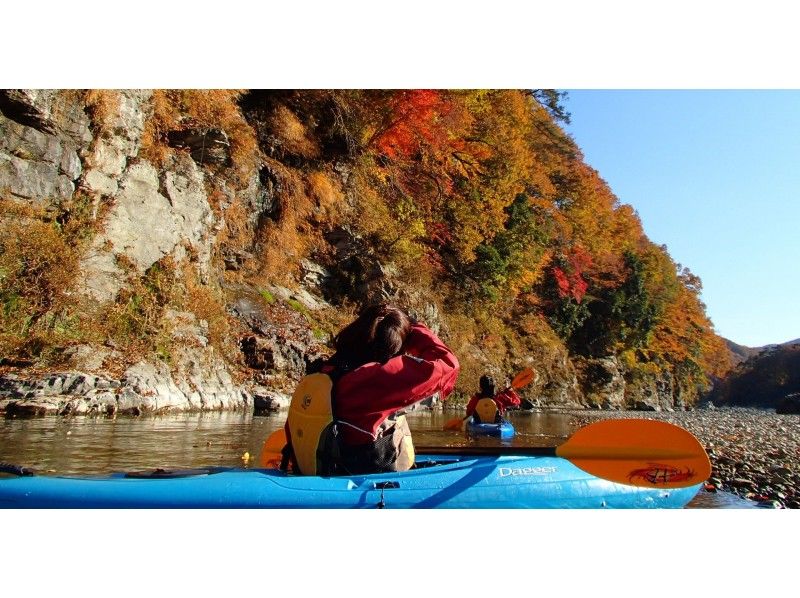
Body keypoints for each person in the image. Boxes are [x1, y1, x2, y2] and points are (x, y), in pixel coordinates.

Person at [281, 303, 459, 476]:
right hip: (356, 477)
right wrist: (413, 328)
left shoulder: (324, 370)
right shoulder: (373, 379)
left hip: (312, 470)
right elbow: (448, 364)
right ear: (394, 347)